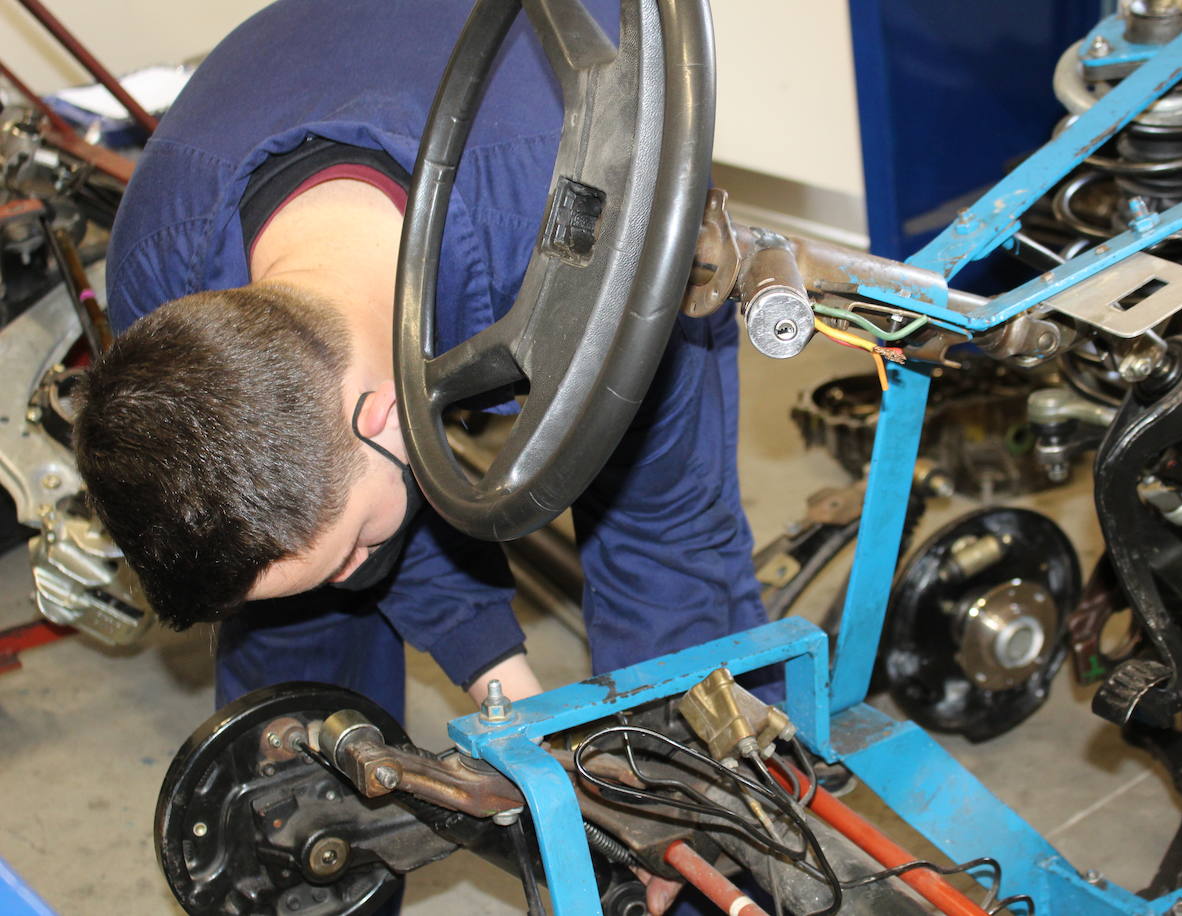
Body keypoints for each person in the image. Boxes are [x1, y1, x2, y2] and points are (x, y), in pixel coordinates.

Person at [74, 0, 764, 771]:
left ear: (381, 411)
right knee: (293, 622)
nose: (354, 570)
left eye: (354, 548)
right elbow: (373, 502)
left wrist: (670, 781)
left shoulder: (599, 218)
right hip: (337, 78)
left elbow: (664, 534)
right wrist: (510, 690)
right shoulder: (159, 268)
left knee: (678, 601)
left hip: (590, 176)